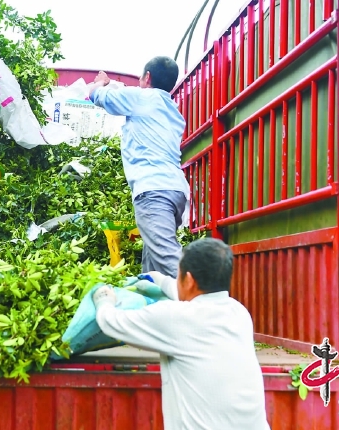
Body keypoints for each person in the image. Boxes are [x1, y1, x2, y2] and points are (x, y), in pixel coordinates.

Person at [92, 238, 270, 430]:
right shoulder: (239, 313)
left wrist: (103, 298)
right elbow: (192, 297)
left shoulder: (174, 318)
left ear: (190, 279)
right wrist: (159, 280)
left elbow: (110, 322)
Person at [87, 57, 190, 279]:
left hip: (154, 191)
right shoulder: (172, 110)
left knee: (168, 260)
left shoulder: (142, 97)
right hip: (176, 191)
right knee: (153, 267)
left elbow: (96, 96)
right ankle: (153, 308)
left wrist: (101, 82)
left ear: (147, 77)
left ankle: (205, 307)